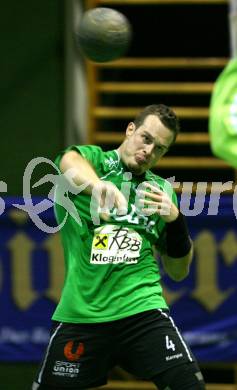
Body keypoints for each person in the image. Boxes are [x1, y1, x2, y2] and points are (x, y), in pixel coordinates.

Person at [32, 104, 206, 390]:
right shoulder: (94, 163)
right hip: (82, 315)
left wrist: (176, 222)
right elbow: (68, 163)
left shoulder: (160, 191)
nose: (149, 151)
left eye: (160, 148)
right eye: (146, 139)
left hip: (142, 312)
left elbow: (178, 271)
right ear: (130, 130)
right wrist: (98, 187)